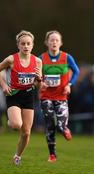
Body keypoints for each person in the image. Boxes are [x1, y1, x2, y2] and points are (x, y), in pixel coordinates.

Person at [0, 30, 42, 165]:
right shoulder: (11, 59)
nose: (26, 46)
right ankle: (10, 121)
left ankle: (17, 156)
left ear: (32, 45)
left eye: (28, 44)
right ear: (18, 45)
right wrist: (3, 85)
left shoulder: (38, 61)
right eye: (23, 44)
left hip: (28, 96)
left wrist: (39, 79)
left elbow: (39, 86)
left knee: (26, 132)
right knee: (16, 124)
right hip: (13, 94)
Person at [40, 30, 80, 162]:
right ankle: (52, 154)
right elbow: (36, 75)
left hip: (61, 96)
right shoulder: (41, 58)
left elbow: (76, 71)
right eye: (51, 40)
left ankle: (65, 129)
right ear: (47, 43)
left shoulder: (67, 57)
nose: (54, 42)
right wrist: (40, 83)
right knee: (50, 124)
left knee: (61, 126)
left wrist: (69, 84)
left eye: (57, 40)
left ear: (61, 43)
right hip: (46, 96)